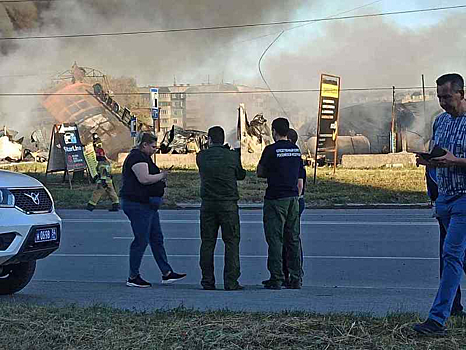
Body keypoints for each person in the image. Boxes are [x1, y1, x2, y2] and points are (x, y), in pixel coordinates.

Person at [414, 73, 466, 336]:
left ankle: (437, 320)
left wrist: (455, 161)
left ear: (461, 93)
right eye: (439, 97)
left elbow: (453, 159)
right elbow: (439, 154)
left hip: (464, 200)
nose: (443, 102)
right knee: (458, 257)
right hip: (444, 198)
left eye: (447, 97)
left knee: (452, 255)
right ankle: (454, 306)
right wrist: (428, 161)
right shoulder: (440, 122)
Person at [120, 131, 186, 288]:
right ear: (144, 145)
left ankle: (167, 273)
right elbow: (144, 178)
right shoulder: (137, 157)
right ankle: (133, 276)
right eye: (153, 146)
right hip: (137, 204)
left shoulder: (144, 157)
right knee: (141, 239)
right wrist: (162, 176)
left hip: (147, 205)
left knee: (156, 238)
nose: (155, 149)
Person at [196, 126, 246, 291]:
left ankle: (207, 281)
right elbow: (241, 174)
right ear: (223, 139)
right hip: (228, 205)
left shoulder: (201, 156)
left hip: (208, 205)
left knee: (207, 243)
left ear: (209, 139)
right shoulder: (232, 156)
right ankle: (231, 282)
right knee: (231, 243)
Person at [257, 117, 303, 290]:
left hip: (276, 199)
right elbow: (299, 173)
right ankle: (295, 278)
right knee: (293, 239)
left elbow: (260, 172)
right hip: (293, 199)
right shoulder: (295, 149)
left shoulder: (271, 150)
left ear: (274, 131)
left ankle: (276, 278)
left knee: (275, 240)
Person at [425, 167, 466, 317]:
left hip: (458, 201)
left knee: (451, 255)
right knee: (453, 256)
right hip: (443, 201)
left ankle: (438, 316)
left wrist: (449, 161)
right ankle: (451, 307)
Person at [281, 128, 306, 287]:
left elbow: (299, 185)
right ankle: (291, 274)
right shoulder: (295, 157)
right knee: (290, 239)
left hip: (293, 201)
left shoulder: (294, 158)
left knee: (290, 239)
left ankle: (292, 274)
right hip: (295, 201)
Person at [86, 135, 120, 212]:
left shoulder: (101, 163)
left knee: (97, 193)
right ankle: (116, 204)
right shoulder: (107, 162)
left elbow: (103, 172)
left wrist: (102, 180)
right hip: (109, 180)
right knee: (111, 192)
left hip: (103, 181)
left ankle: (91, 206)